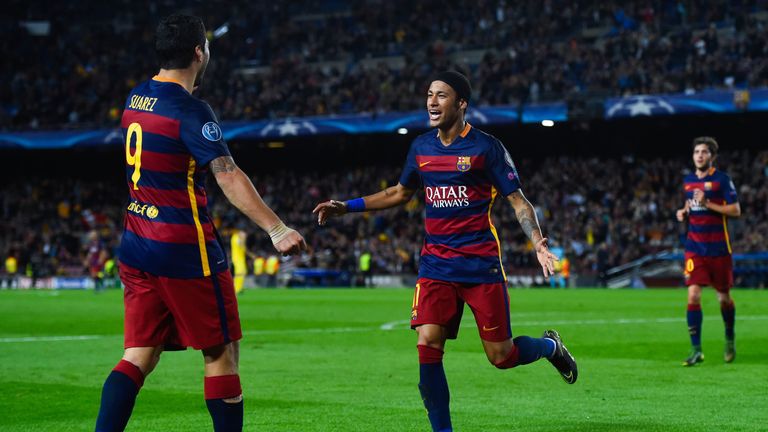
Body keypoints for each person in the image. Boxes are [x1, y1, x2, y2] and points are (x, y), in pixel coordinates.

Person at [313, 71, 577, 432]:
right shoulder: (421, 147)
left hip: (481, 266)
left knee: (501, 357)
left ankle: (550, 347)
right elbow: (399, 193)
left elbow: (518, 202)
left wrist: (538, 242)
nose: (431, 102)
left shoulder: (487, 148)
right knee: (428, 342)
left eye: (441, 95)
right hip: (436, 266)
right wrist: (348, 206)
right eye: (429, 95)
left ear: (461, 103)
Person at [95, 14, 306, 432]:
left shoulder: (136, 98)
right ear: (198, 52)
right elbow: (227, 174)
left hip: (136, 242)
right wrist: (278, 229)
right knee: (220, 352)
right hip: (183, 248)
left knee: (139, 353)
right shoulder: (190, 111)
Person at [675, 137, 741, 366]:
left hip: (719, 249)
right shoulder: (688, 181)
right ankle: (696, 350)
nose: (700, 155)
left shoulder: (722, 180)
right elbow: (690, 205)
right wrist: (683, 212)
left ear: (712, 156)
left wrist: (708, 203)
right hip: (695, 248)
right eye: (696, 152)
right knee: (693, 294)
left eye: (704, 152)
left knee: (723, 298)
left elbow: (736, 210)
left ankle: (729, 338)